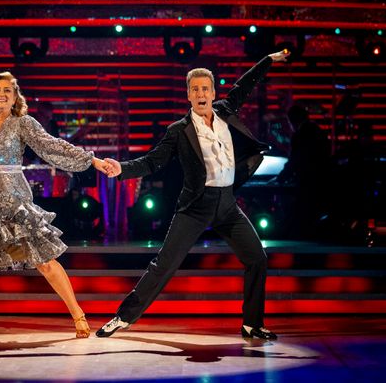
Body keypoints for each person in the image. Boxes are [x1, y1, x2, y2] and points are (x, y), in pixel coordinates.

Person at [96, 51, 290, 340]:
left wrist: (268, 60)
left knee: (257, 258)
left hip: (227, 204)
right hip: (195, 207)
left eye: (205, 89)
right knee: (164, 265)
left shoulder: (225, 111)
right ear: (188, 95)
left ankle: (252, 323)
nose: (201, 94)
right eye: (195, 89)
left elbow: (245, 84)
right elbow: (152, 162)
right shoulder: (179, 130)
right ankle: (123, 317)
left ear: (213, 93)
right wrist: (121, 169)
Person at [0, 41, 110, 341]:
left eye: (8, 91)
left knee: (45, 263)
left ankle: (78, 314)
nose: (2, 94)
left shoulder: (23, 123)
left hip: (15, 202)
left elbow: (52, 146)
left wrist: (91, 159)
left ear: (15, 98)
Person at [276, 104, 331, 236]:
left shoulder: (299, 135)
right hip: (322, 179)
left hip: (307, 181)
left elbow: (295, 160)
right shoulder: (318, 130)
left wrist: (281, 178)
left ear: (292, 121)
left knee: (301, 214)